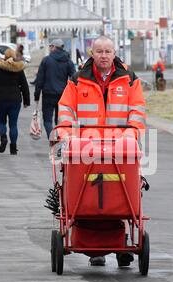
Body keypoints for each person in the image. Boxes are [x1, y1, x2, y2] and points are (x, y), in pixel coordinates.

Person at [57, 35, 146, 267]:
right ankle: (95, 249)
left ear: (115, 53)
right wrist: (66, 136)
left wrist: (131, 134)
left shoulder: (129, 79)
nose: (104, 56)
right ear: (91, 53)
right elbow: (66, 109)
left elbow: (137, 111)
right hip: (85, 149)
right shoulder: (77, 81)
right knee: (88, 197)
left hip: (121, 147)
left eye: (108, 51)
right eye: (99, 51)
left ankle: (120, 243)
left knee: (119, 194)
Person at [0, 48, 30, 155]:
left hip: (0, 99)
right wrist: (26, 101)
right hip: (15, 99)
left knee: (1, 122)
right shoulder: (18, 69)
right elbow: (24, 86)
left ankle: (3, 137)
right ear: (14, 56)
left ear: (4, 56)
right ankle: (13, 148)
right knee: (13, 124)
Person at [34, 39, 76, 140]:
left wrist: (36, 95)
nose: (49, 48)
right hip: (62, 95)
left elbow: (40, 79)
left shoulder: (46, 60)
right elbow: (74, 78)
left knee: (47, 120)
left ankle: (52, 138)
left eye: (50, 46)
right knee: (60, 119)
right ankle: (59, 137)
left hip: (48, 94)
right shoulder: (68, 61)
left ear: (54, 47)